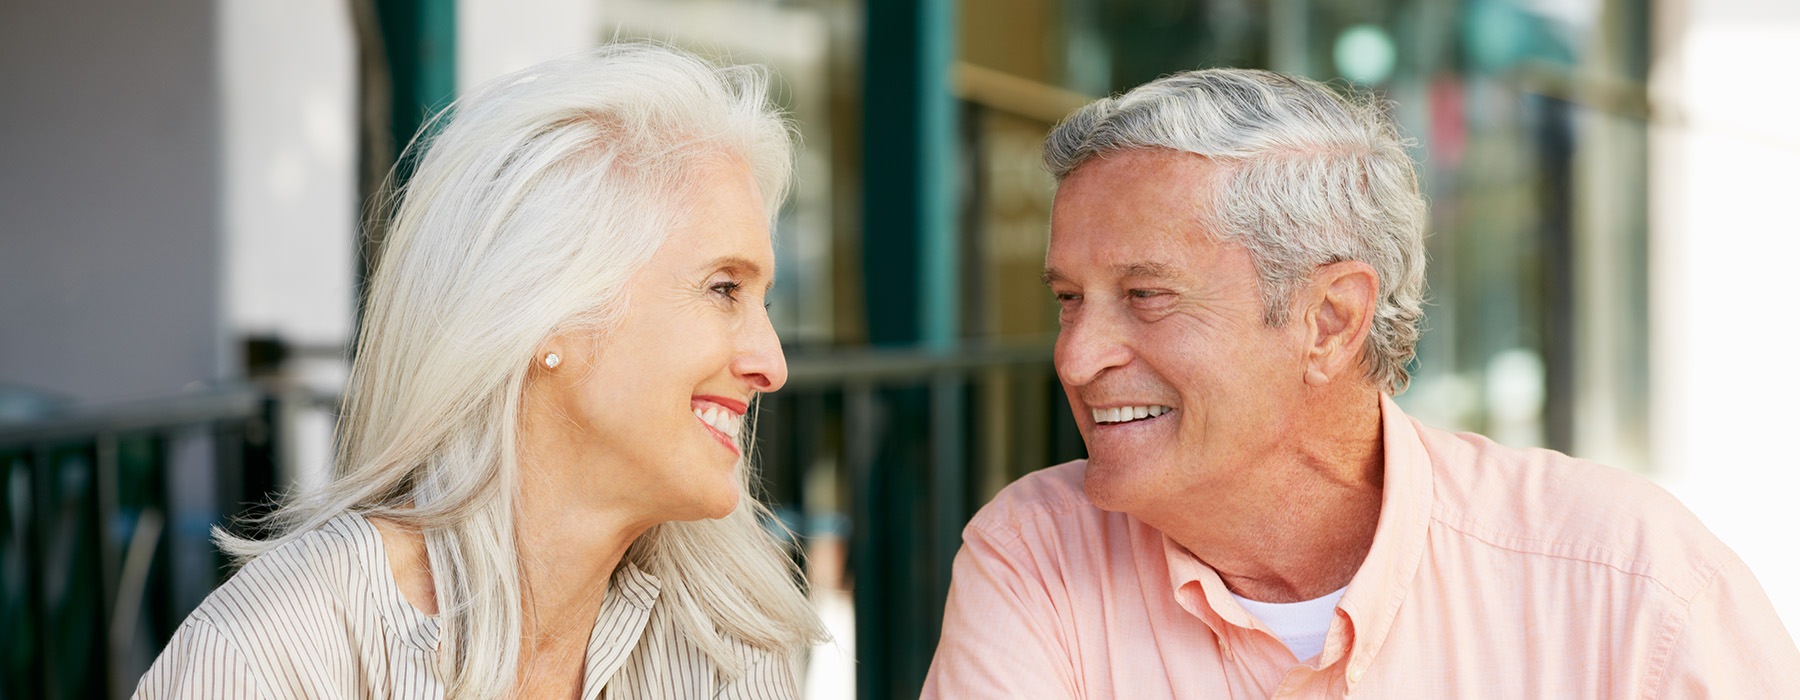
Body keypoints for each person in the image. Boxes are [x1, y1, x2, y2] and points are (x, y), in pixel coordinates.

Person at [923, 68, 1800, 698]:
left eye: (1146, 297)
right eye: (1070, 300)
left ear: (1330, 322)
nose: (1076, 359)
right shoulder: (1031, 556)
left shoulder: (1631, 582)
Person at [133, 44, 824, 699]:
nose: (772, 364)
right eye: (723, 289)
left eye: (761, 300)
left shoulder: (721, 642)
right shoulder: (271, 658)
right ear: (549, 314)